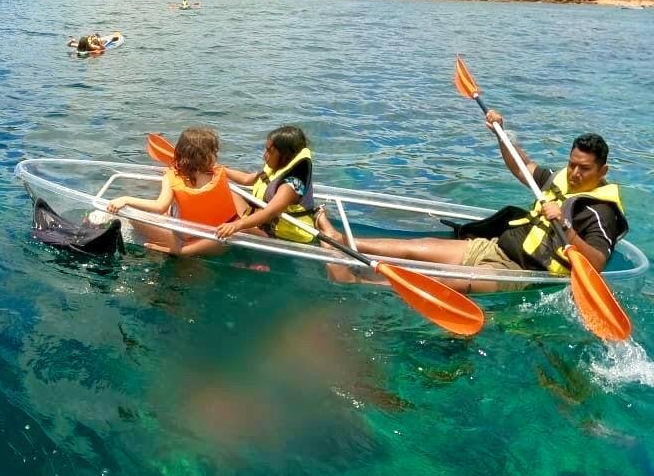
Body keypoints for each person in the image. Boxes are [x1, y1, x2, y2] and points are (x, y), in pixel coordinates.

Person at [314, 110, 628, 293]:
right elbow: (523, 166)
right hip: (497, 248)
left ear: (603, 170)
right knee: (419, 246)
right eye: (572, 163)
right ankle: (343, 240)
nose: (573, 172)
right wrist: (501, 134)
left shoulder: (602, 212)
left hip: (526, 274)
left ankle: (356, 281)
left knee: (442, 280)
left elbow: (597, 264)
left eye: (583, 168)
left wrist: (565, 226)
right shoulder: (561, 178)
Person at [106, 127, 237, 255]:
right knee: (233, 194)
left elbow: (160, 206)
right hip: (222, 239)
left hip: (188, 242)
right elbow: (248, 180)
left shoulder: (171, 177)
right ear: (207, 157)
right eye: (214, 153)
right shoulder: (218, 172)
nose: (216, 156)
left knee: (134, 218)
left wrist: (126, 199)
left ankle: (164, 251)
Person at [215, 125, 319, 243]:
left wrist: (236, 225)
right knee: (227, 189)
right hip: (264, 223)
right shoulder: (278, 168)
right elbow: (246, 179)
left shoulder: (291, 185)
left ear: (285, 155)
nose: (265, 156)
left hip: (282, 236)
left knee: (238, 231)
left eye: (270, 151)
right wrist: (220, 169)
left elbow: (269, 212)